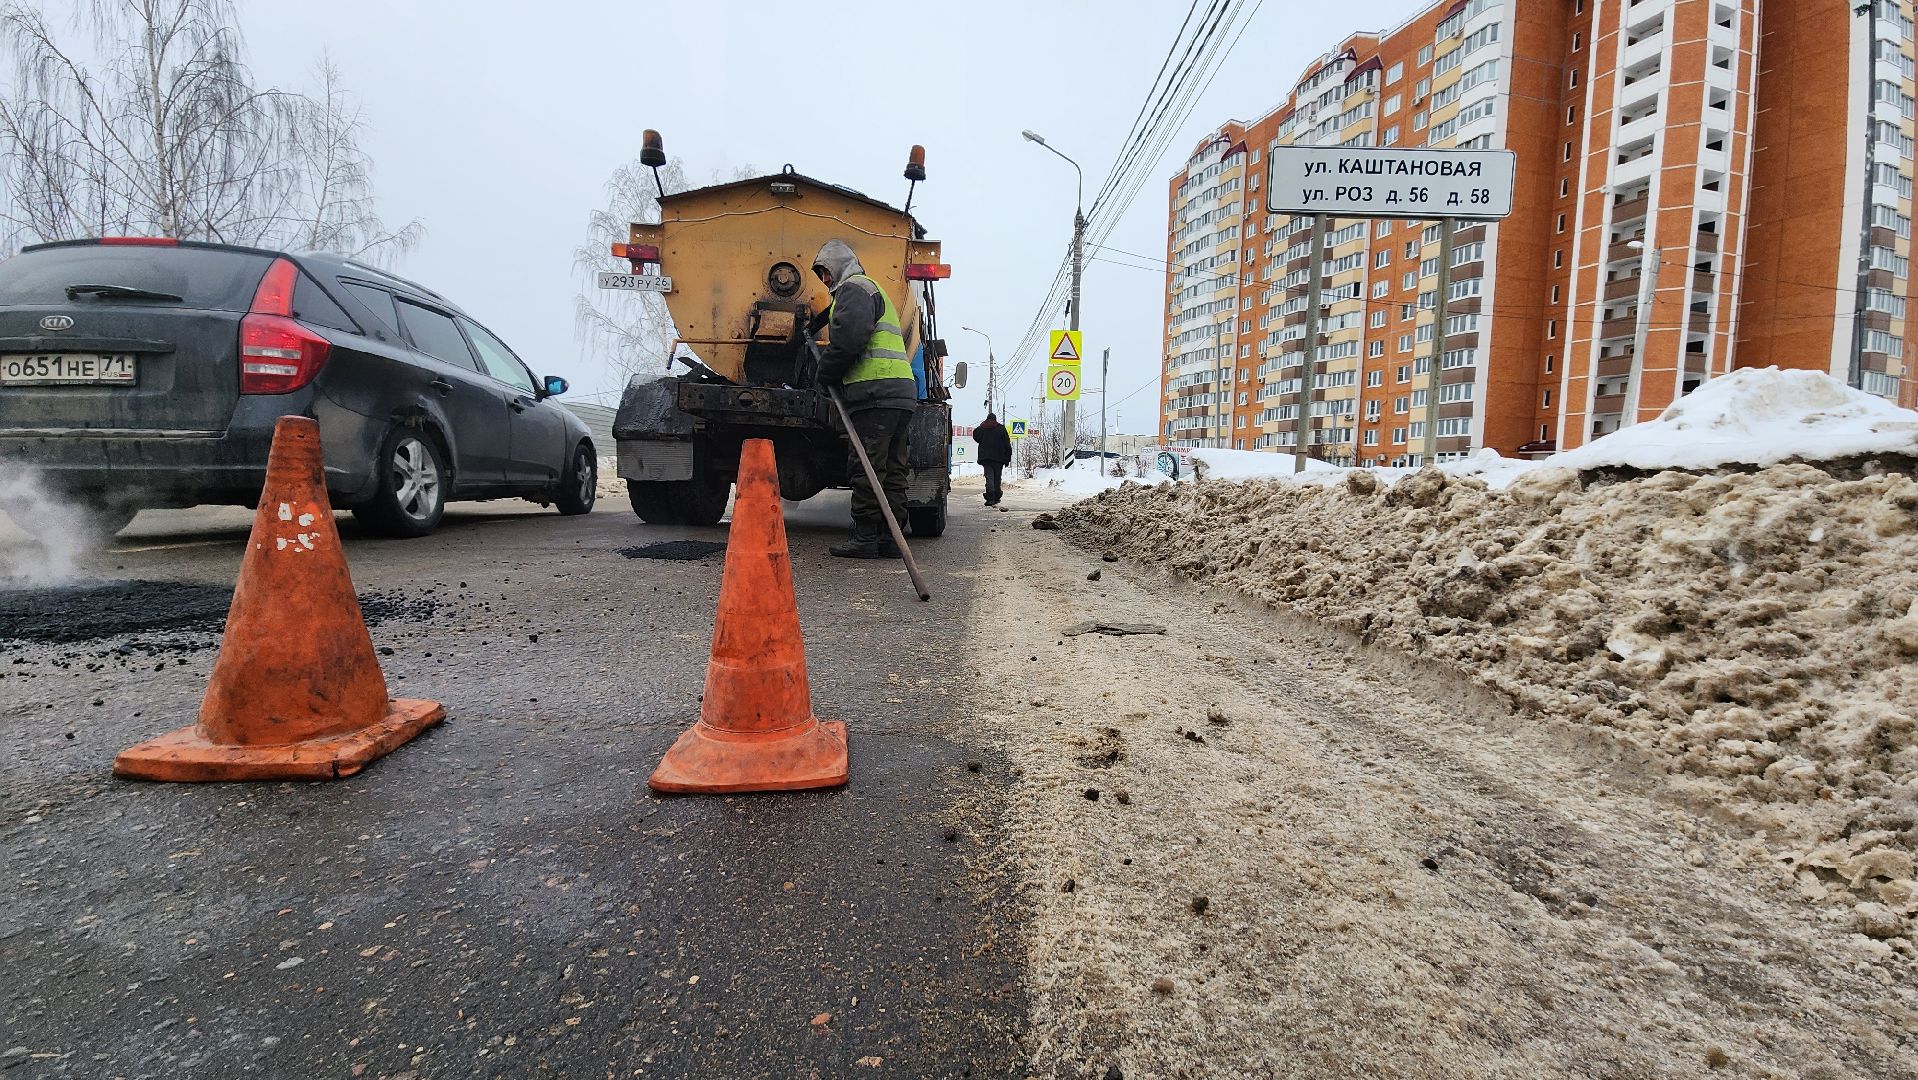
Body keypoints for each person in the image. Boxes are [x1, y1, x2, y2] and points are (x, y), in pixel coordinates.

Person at [811, 239, 918, 559]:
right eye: (821, 275)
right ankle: (892, 536)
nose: (825, 280)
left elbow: (849, 340)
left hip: (875, 393)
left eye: (826, 272)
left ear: (841, 266)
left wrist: (824, 373)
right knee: (892, 469)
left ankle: (866, 536)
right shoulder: (873, 289)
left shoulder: (854, 289)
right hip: (900, 394)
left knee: (867, 466)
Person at [972, 412, 1012, 506]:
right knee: (997, 478)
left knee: (989, 478)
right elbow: (1007, 444)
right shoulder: (1001, 428)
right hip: (999, 459)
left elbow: (975, 435)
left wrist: (982, 425)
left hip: (986, 459)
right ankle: (997, 496)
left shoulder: (982, 428)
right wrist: (1007, 458)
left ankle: (990, 498)